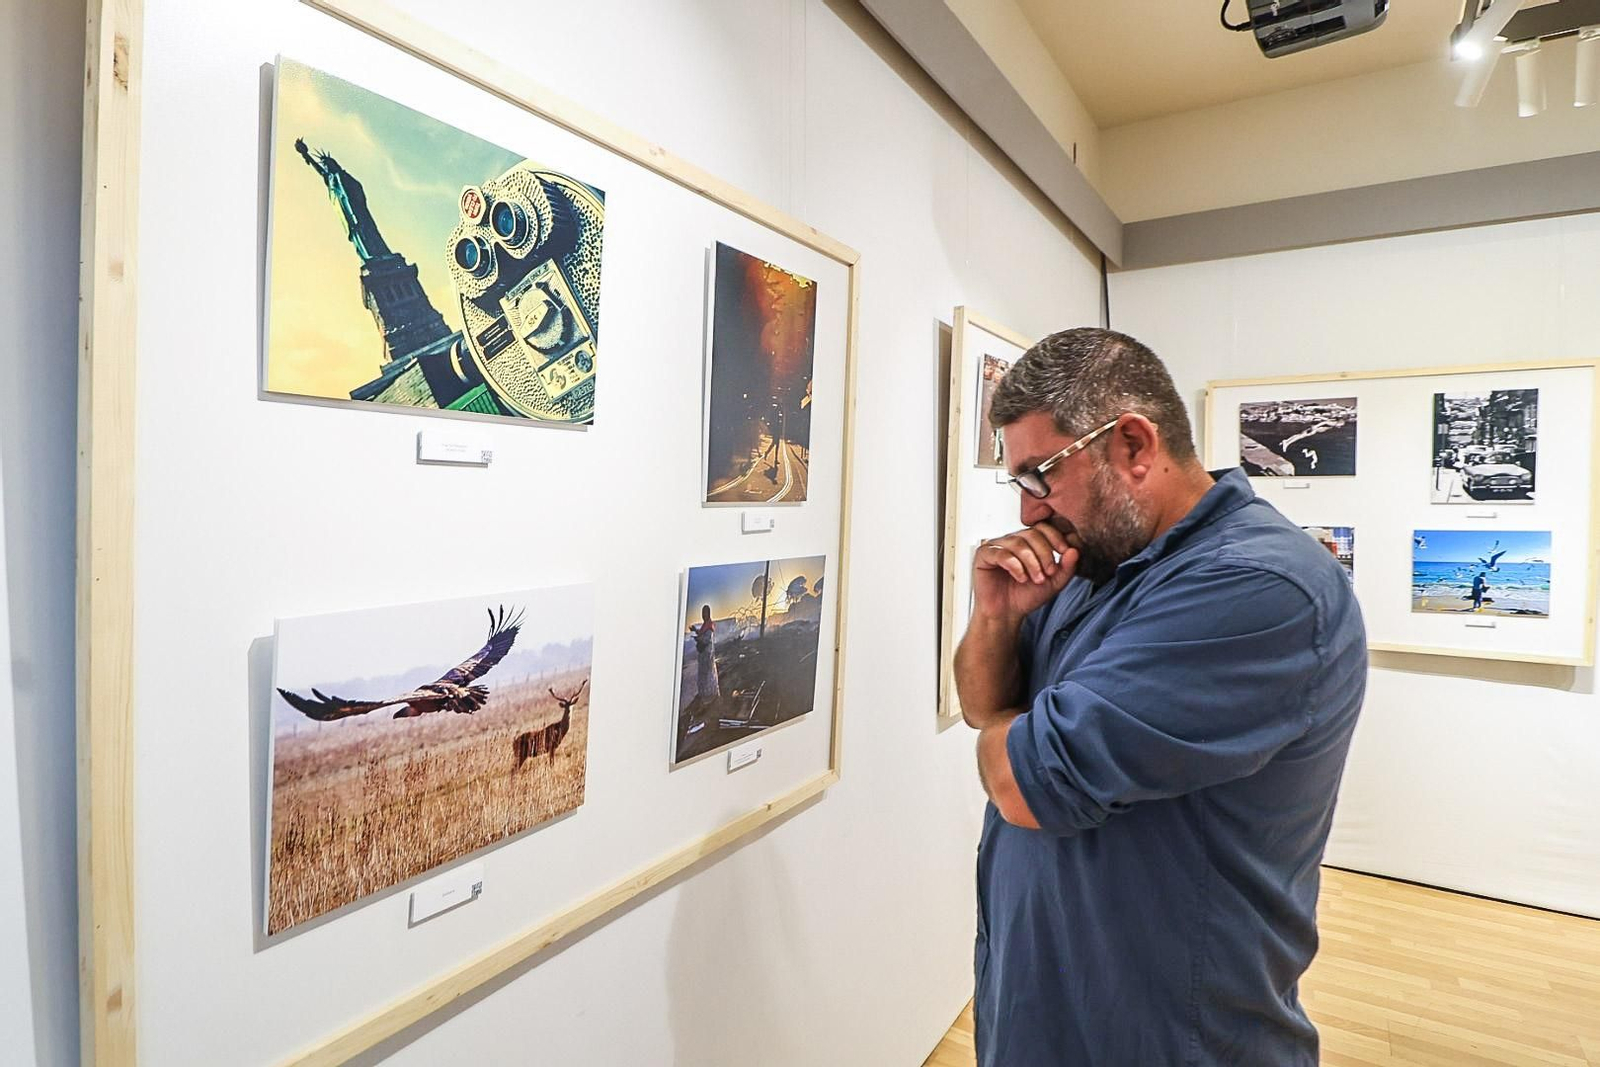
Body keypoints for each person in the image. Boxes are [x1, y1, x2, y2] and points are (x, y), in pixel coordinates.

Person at [954, 328, 1366, 1066]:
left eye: (1039, 475)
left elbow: (1021, 781)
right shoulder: (1099, 563)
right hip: (1045, 1006)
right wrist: (996, 615)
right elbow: (983, 706)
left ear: (1135, 445)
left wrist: (1011, 741)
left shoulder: (1261, 586)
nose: (1026, 513)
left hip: (1169, 1031)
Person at [690, 605, 719, 707]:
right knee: (704, 675)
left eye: (705, 613)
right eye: (702, 613)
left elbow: (705, 640)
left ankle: (709, 697)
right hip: (704, 656)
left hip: (707, 656)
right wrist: (695, 630)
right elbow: (702, 634)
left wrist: (697, 639)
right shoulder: (706, 625)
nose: (703, 615)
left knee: (707, 676)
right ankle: (706, 695)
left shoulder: (709, 626)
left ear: (708, 613)